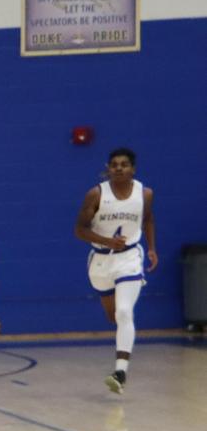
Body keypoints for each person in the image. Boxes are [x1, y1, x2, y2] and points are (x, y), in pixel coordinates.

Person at [74, 147, 156, 393]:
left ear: (133, 169)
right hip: (101, 261)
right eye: (114, 164)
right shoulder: (96, 194)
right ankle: (122, 345)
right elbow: (79, 230)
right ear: (108, 169)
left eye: (124, 164)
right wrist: (108, 241)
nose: (119, 167)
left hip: (130, 257)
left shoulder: (145, 193)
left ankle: (120, 372)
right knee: (113, 317)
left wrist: (151, 248)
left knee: (123, 312)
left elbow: (149, 219)